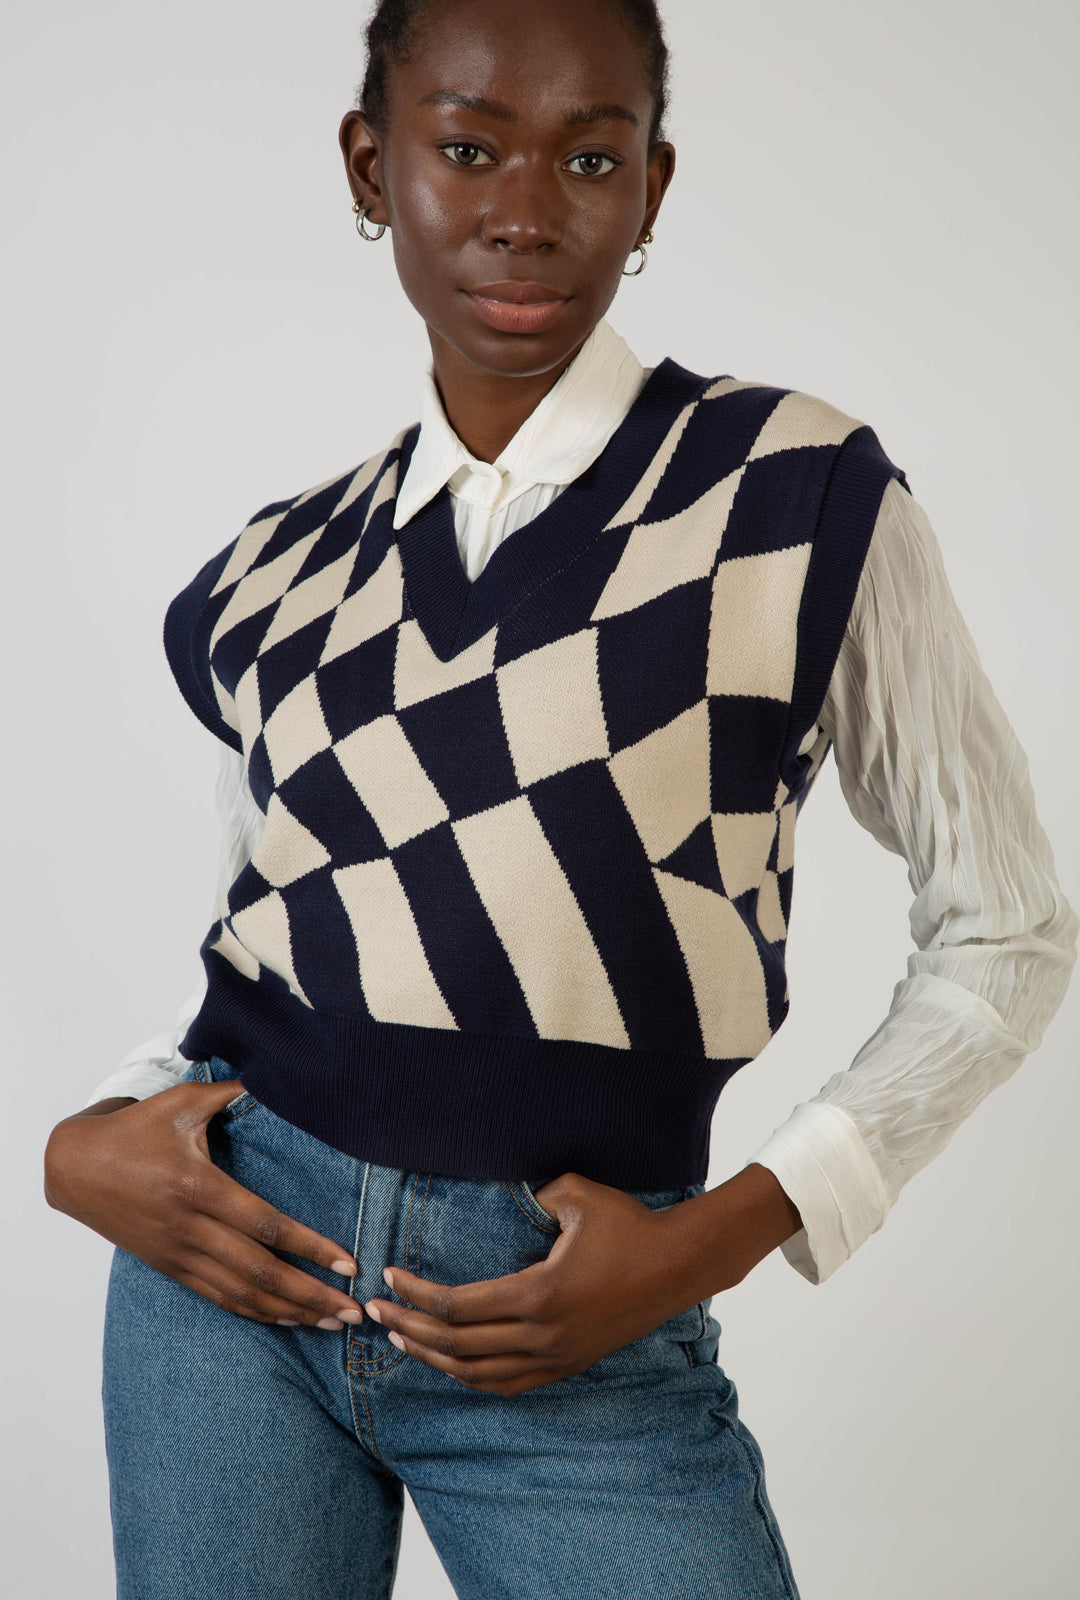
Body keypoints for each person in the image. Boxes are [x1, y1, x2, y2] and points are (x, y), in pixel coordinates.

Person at [42, 1, 1077, 1596]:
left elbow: (1007, 930)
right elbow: (275, 930)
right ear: (372, 167)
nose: (525, 212)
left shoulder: (797, 499)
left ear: (652, 185)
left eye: (590, 160)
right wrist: (94, 1139)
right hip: (228, 1287)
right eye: (467, 150)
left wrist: (731, 1229)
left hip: (579, 1329)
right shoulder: (276, 569)